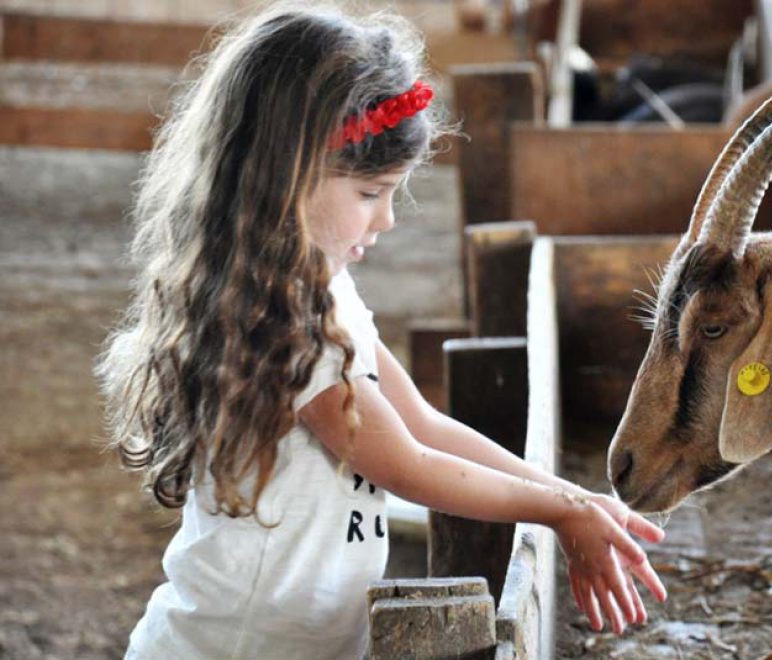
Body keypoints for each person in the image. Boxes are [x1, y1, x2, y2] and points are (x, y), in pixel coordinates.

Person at [94, 4, 666, 658]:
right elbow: (407, 466)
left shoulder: (323, 289)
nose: (388, 219)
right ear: (286, 175)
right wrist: (558, 513)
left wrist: (572, 496)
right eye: (370, 193)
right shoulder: (284, 324)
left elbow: (422, 423)